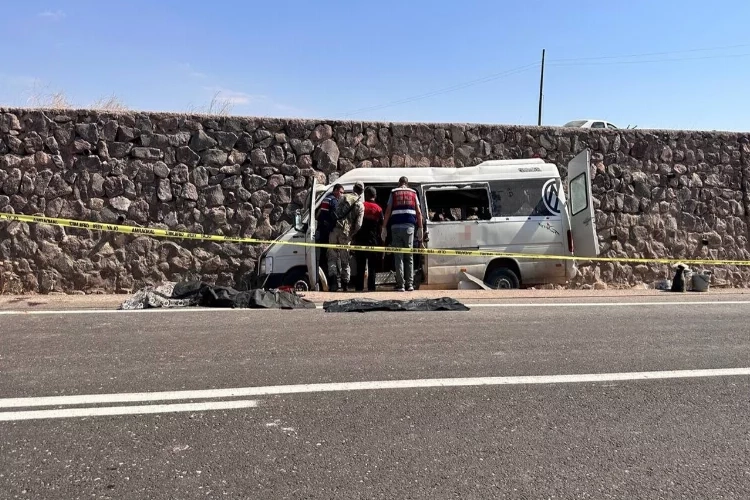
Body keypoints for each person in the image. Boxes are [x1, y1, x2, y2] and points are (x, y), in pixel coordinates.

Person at [382, 176, 423, 292]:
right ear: (407, 184)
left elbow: (388, 210)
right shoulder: (413, 193)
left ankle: (401, 285)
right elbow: (419, 212)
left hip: (395, 227)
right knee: (409, 256)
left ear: (399, 183)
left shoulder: (394, 192)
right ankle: (410, 284)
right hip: (409, 227)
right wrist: (420, 228)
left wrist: (384, 227)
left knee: (398, 256)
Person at [328, 181, 365, 291]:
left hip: (335, 230)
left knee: (332, 257)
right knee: (345, 260)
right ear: (362, 192)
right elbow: (359, 225)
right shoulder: (360, 205)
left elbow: (336, 211)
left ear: (354, 188)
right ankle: (345, 285)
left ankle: (333, 283)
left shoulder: (343, 197)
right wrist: (352, 233)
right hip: (346, 233)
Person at [353, 187, 384, 292]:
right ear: (375, 196)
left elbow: (355, 222)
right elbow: (381, 227)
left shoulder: (361, 206)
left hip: (360, 239)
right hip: (373, 240)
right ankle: (371, 288)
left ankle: (359, 287)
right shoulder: (379, 209)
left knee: (360, 266)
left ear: (365, 195)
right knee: (372, 267)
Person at [314, 184, 343, 286]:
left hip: (323, 230)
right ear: (335, 191)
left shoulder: (326, 199)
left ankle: (327, 280)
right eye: (340, 192)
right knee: (331, 257)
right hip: (327, 232)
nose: (341, 195)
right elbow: (336, 215)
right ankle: (333, 282)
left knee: (325, 256)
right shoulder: (332, 200)